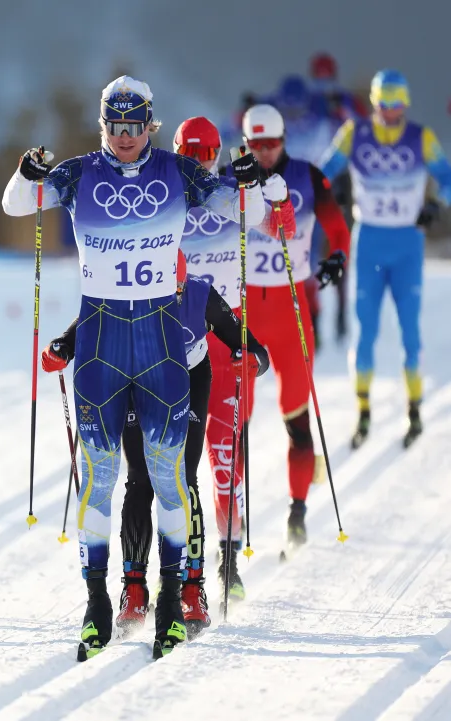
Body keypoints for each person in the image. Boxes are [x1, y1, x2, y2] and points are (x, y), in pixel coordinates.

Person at [2, 75, 270, 658]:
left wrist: (252, 181)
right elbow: (16, 204)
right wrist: (27, 170)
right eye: (114, 126)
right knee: (99, 480)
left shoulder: (179, 171)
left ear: (150, 124)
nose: (124, 138)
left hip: (161, 342)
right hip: (99, 343)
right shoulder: (77, 174)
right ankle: (97, 604)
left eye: (134, 126)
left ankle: (171, 605)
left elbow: (246, 214)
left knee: (170, 478)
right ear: (103, 126)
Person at [43, 271, 270, 637]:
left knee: (181, 477)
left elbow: (254, 347)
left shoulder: (199, 292)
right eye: (167, 291)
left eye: (176, 290)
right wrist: (63, 346)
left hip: (190, 380)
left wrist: (252, 359)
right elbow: (89, 319)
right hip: (140, 380)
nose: (172, 297)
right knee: (140, 478)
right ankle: (134, 587)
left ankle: (190, 588)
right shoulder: (129, 288)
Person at [173, 116, 295, 600]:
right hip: (177, 329)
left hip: (227, 333)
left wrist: (278, 198)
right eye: (191, 155)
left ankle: (229, 556)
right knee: (174, 460)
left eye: (206, 155)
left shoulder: (234, 191)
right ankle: (180, 556)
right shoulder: (164, 195)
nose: (199, 164)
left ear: (219, 153)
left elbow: (280, 230)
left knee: (225, 455)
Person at [230, 104, 351, 551]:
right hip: (243, 314)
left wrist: (337, 258)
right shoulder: (231, 178)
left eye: (271, 144)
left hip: (292, 311)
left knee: (296, 418)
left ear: (283, 141)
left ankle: (297, 514)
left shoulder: (307, 175)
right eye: (255, 145)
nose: (263, 153)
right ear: (245, 143)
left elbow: (338, 229)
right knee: (234, 421)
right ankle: (232, 518)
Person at [319, 70, 451, 449]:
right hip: (371, 240)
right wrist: (332, 187)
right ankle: (363, 412)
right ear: (374, 103)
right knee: (366, 333)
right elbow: (323, 172)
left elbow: (447, 179)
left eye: (397, 104)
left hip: (408, 244)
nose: (390, 112)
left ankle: (414, 410)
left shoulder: (421, 138)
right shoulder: (354, 133)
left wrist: (435, 205)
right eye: (383, 104)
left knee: (410, 331)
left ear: (405, 105)